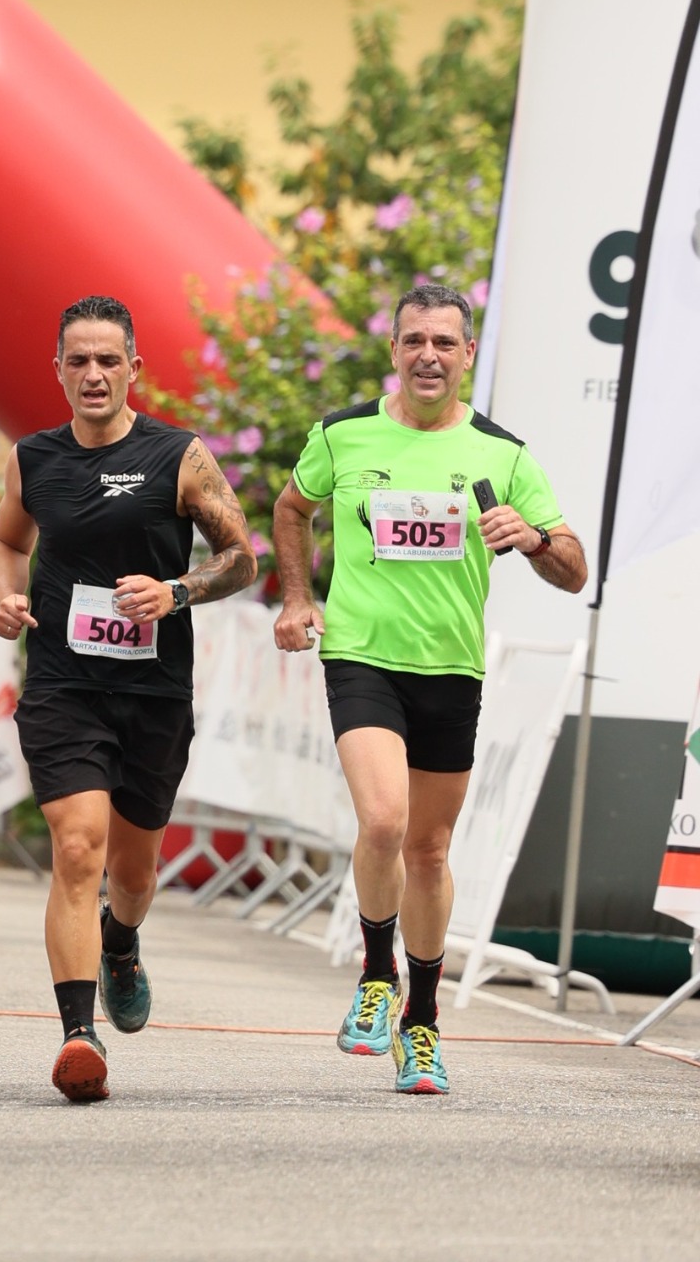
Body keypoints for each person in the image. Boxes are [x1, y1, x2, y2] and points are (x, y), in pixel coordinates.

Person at [273, 283, 586, 1095]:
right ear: (393, 351)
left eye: (444, 343)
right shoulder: (343, 435)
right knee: (383, 820)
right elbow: (291, 506)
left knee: (430, 849)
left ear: (468, 355)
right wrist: (300, 597)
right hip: (362, 657)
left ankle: (423, 1022)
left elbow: (573, 566)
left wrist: (534, 535)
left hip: (450, 669)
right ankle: (376, 976)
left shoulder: (501, 453)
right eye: (414, 340)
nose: (428, 356)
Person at [0, 295, 257, 1102]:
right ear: (59, 369)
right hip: (64, 685)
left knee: (133, 874)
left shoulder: (179, 455)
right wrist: (5, 596)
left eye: (110, 360)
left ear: (134, 368)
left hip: (153, 693)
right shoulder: (33, 458)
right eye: (80, 360)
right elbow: (7, 542)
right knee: (78, 848)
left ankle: (123, 941)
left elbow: (241, 557)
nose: (94, 374)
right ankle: (78, 1036)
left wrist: (176, 590)